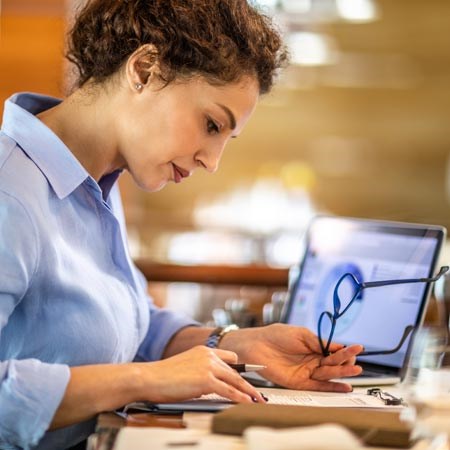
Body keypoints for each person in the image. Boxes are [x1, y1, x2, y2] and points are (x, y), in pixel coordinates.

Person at [0, 0, 363, 449]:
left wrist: (231, 343)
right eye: (212, 124)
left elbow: (125, 324)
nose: (212, 162)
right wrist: (143, 380)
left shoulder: (97, 182)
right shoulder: (10, 190)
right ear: (146, 69)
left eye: (226, 139)